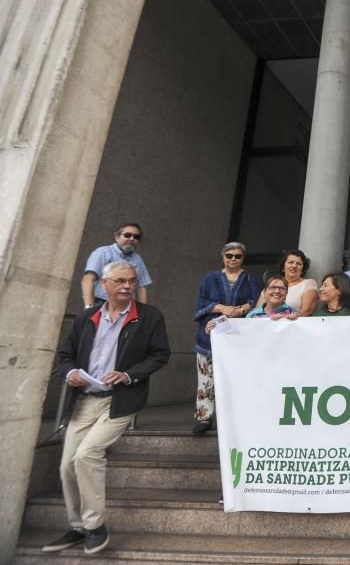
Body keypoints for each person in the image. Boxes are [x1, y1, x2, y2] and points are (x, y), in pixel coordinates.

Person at [44, 262, 169, 555]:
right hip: (84, 399)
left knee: (88, 454)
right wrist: (69, 372)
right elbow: (65, 355)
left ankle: (95, 525)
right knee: (66, 465)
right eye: (121, 281)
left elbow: (160, 355)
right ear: (105, 284)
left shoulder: (149, 317)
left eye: (132, 281)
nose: (128, 286)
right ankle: (79, 527)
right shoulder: (87, 317)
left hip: (120, 400)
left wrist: (128, 374)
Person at [191, 242, 261, 435]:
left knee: (235, 379)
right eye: (229, 255)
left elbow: (257, 301)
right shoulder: (210, 278)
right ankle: (204, 418)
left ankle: (232, 419)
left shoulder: (250, 279)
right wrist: (223, 308)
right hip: (210, 336)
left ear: (243, 258)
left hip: (238, 336)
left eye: (237, 256)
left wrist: (240, 310)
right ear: (223, 257)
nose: (233, 259)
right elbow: (201, 303)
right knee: (206, 380)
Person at [80, 222, 152, 308]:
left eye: (136, 237)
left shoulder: (137, 259)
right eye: (127, 235)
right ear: (117, 237)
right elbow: (88, 279)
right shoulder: (103, 252)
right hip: (101, 304)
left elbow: (141, 287)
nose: (132, 239)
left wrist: (143, 313)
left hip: (127, 307)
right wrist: (89, 307)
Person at [256, 250, 317, 316]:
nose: (294, 266)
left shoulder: (308, 283)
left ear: (302, 269)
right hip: (267, 324)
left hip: (293, 324)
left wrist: (283, 318)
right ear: (283, 268)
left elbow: (306, 310)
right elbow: (258, 310)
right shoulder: (271, 285)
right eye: (291, 262)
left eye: (298, 264)